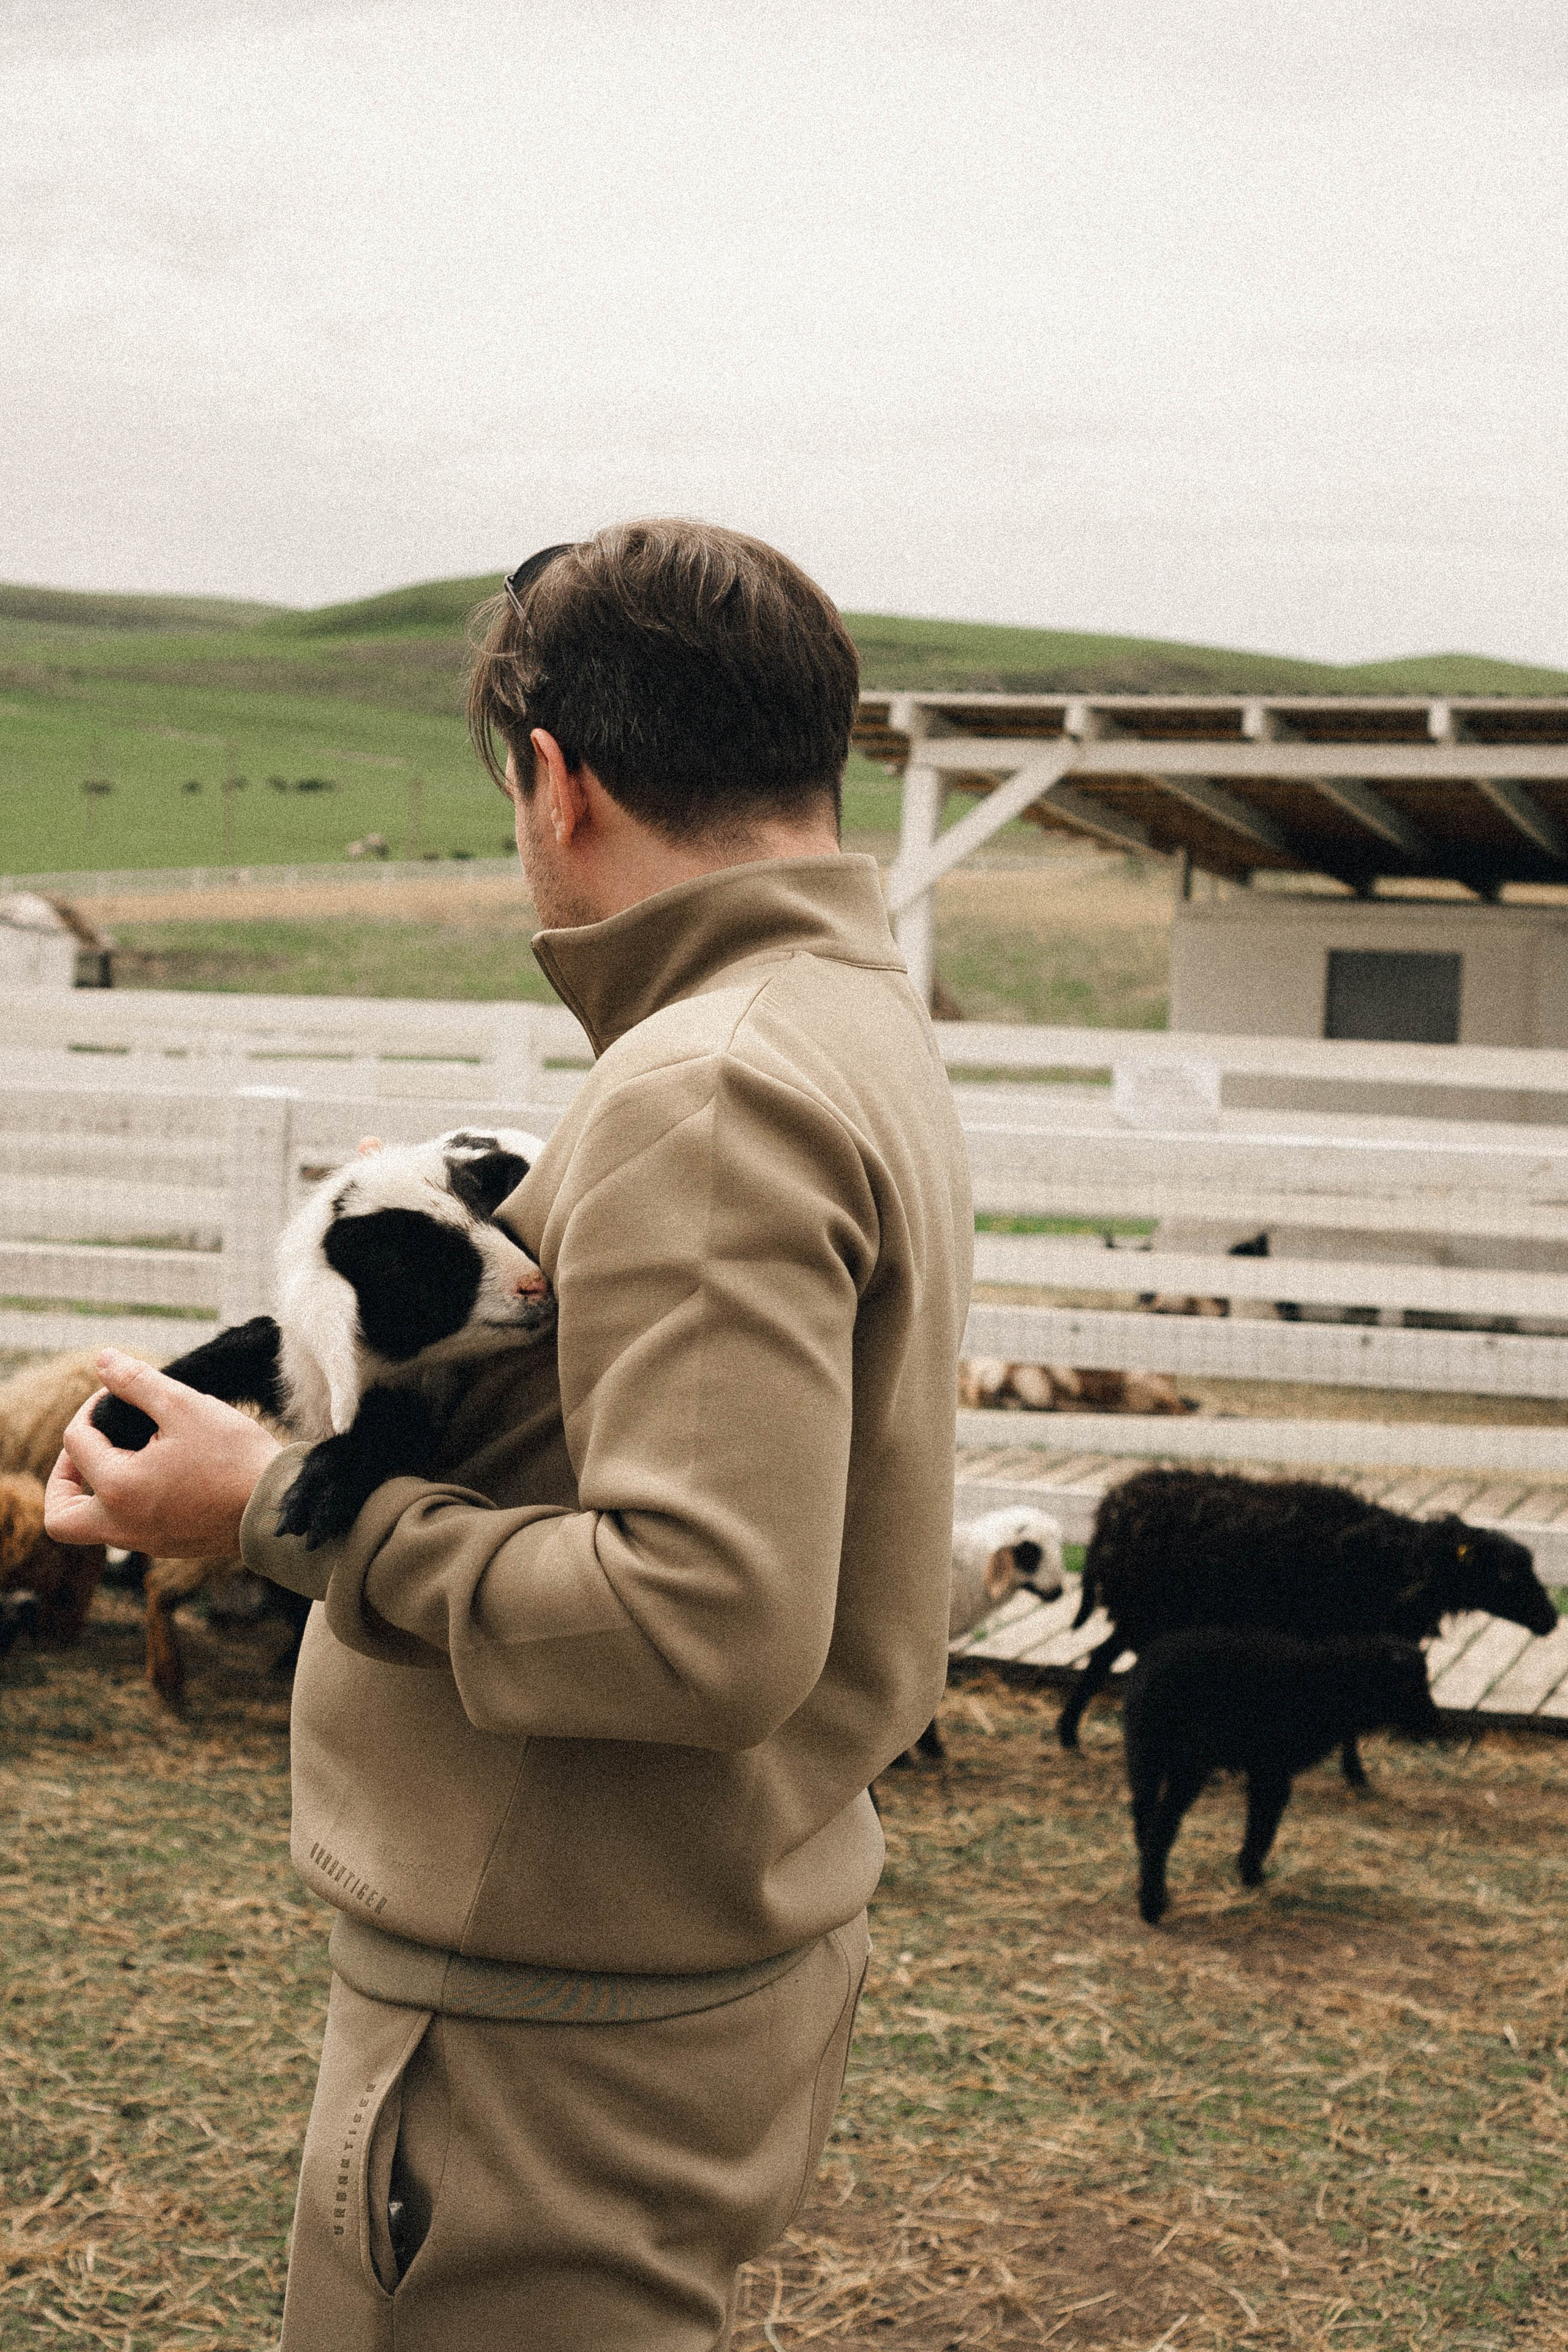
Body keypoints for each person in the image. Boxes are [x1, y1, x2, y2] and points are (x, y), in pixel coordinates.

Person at [46, 519, 973, 2351]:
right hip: (683, 1942)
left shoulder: (710, 1080)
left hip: (544, 2020)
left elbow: (700, 1620)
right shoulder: (849, 1021)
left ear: (556, 778)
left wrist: (278, 1504)